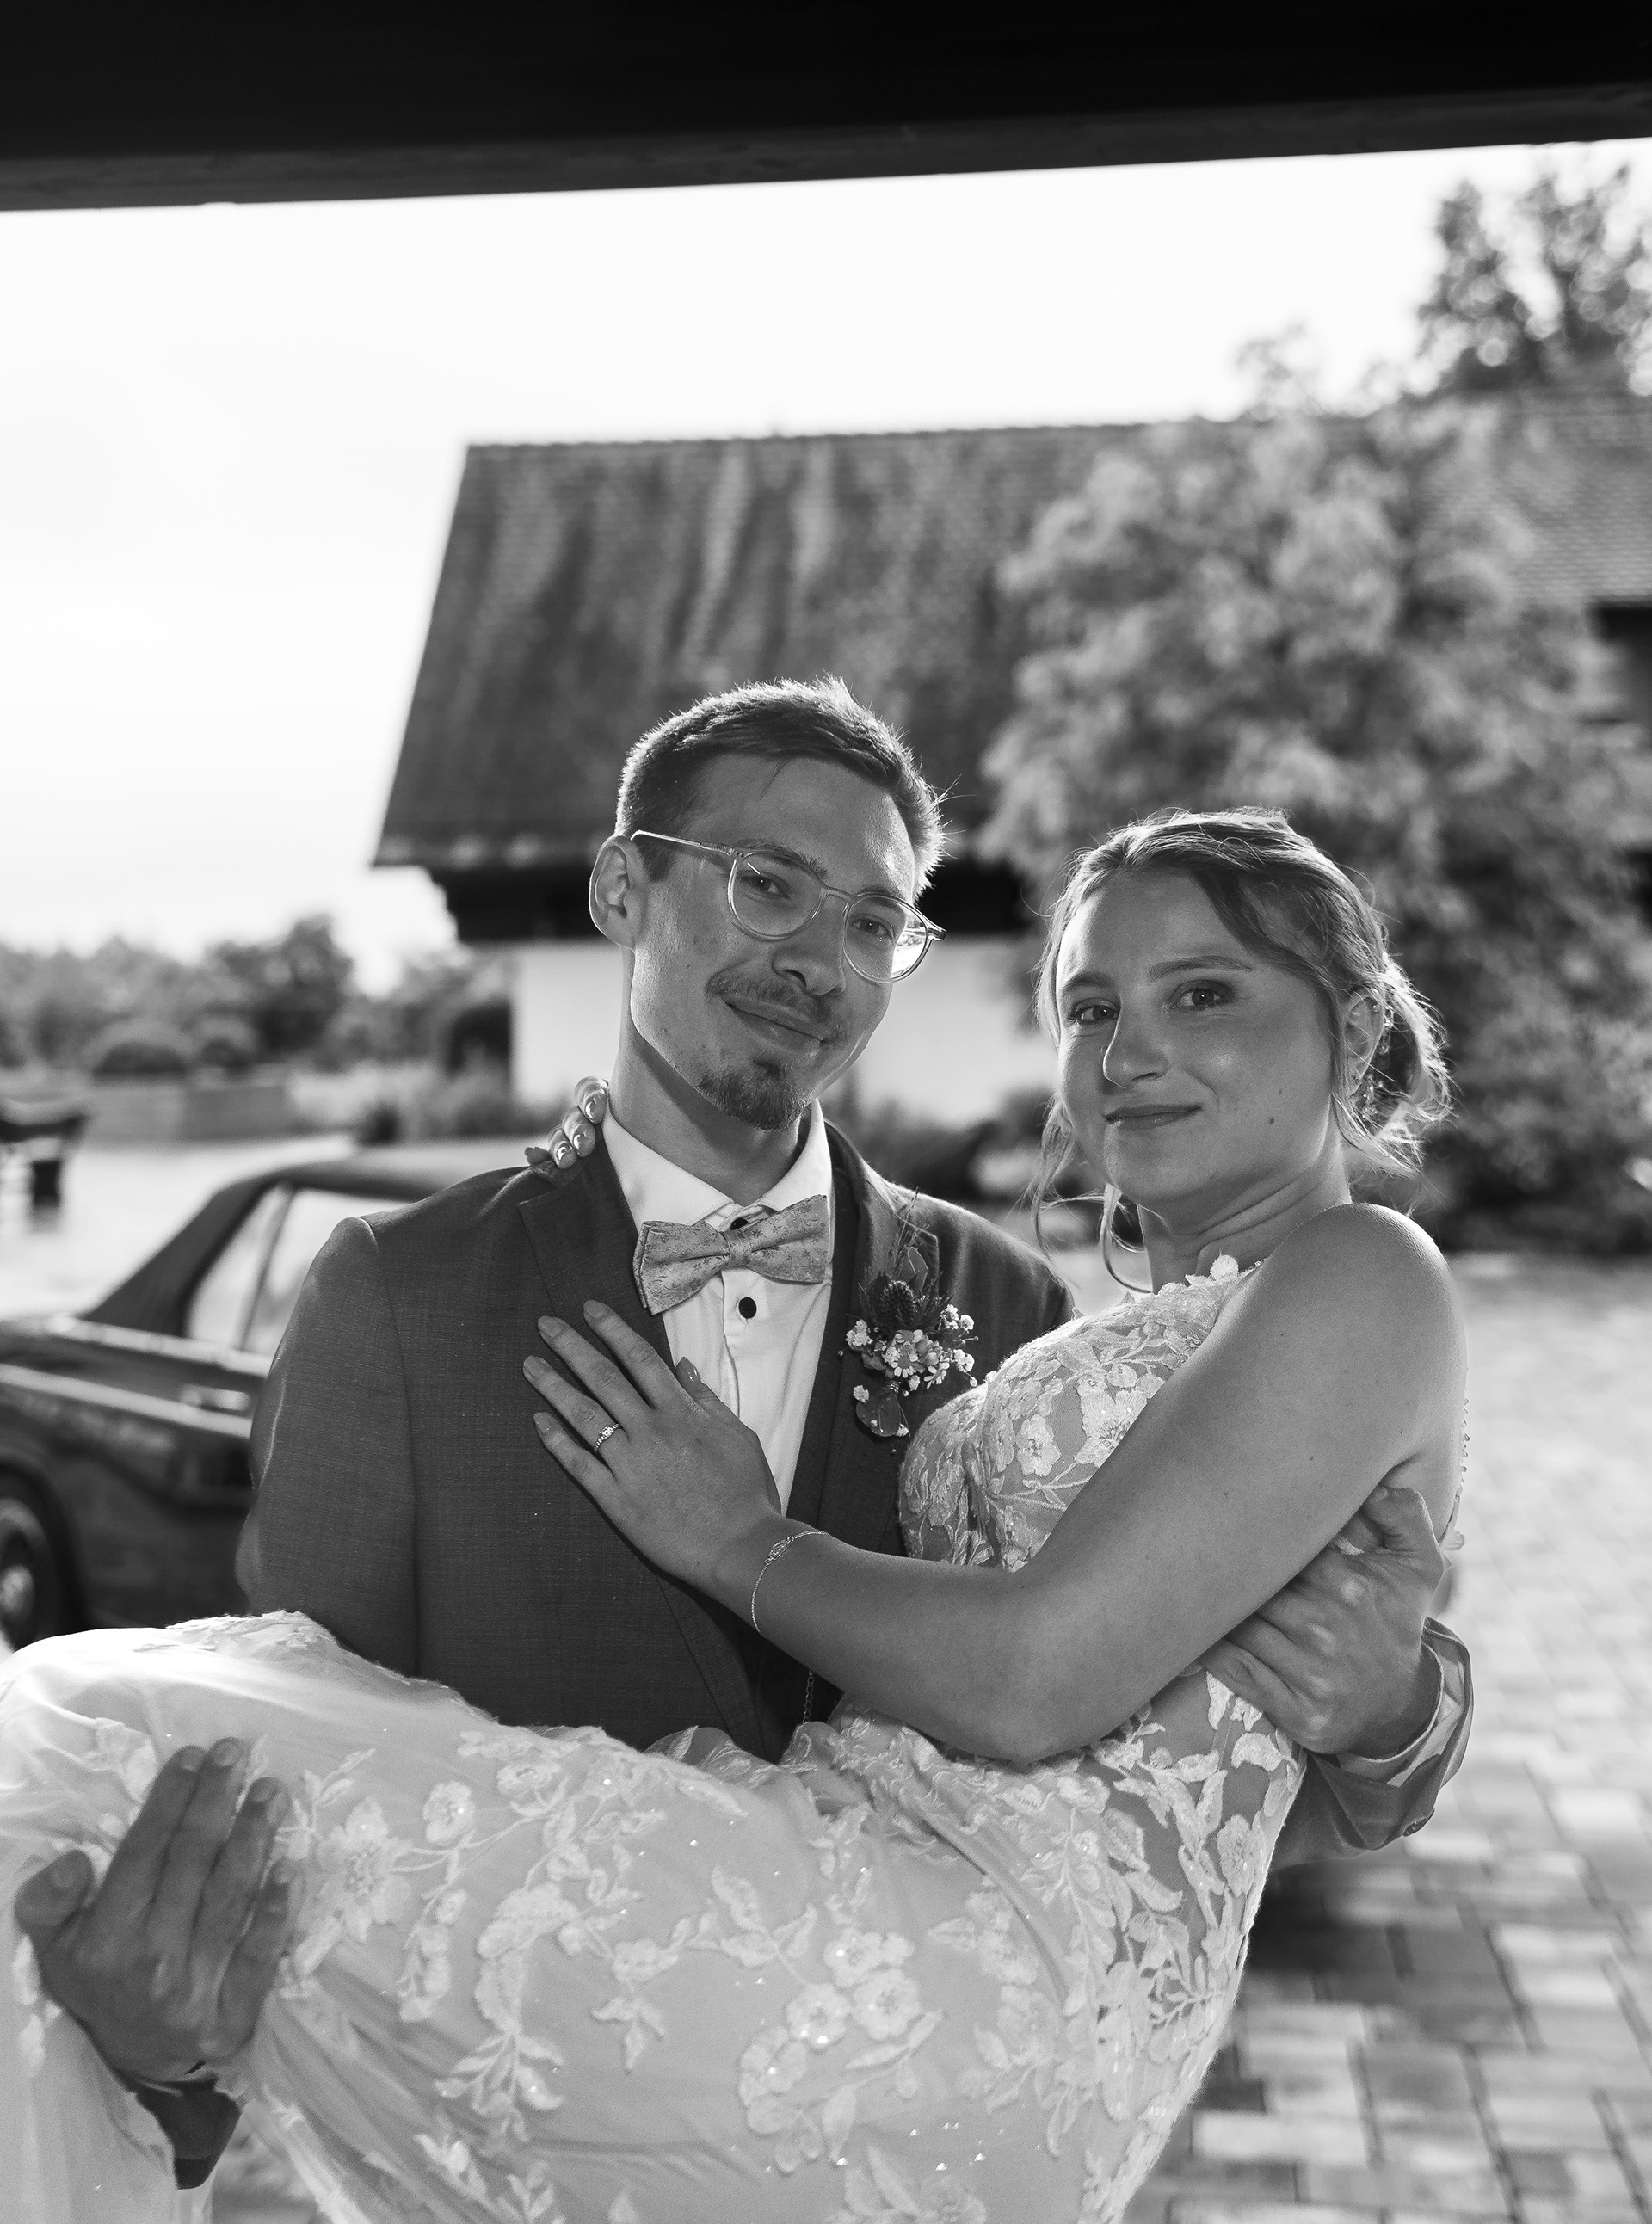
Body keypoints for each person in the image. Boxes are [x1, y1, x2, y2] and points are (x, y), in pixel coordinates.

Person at [0, 695, 1467, 2211]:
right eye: (768, 885)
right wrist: (160, 2058)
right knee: (82, 1745)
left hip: (920, 2101)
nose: (820, 958)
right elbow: (296, 1773)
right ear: (620, 889)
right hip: (532, 2158)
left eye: (873, 919)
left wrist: (1394, 1715)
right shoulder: (399, 1298)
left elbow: (1182, 1758)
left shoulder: (1005, 1302)